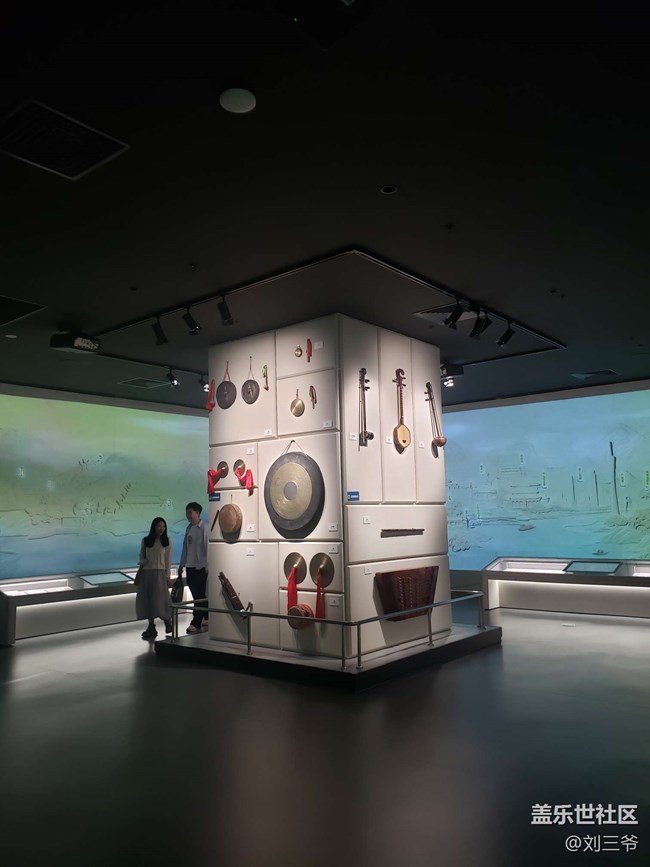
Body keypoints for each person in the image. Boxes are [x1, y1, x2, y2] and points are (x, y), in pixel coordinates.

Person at [137, 517, 173, 640]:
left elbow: (168, 560)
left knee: (162, 599)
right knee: (149, 600)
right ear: (154, 527)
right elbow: (141, 556)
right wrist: (144, 561)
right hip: (147, 573)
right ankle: (151, 625)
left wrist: (168, 575)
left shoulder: (166, 541)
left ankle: (167, 620)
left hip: (160, 573)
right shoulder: (146, 541)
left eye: (163, 526)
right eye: (159, 526)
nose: (161, 529)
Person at [178, 501, 209, 634]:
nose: (188, 515)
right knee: (198, 594)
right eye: (187, 513)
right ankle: (207, 616)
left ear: (197, 513)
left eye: (190, 512)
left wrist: (208, 565)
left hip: (201, 567)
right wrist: (181, 564)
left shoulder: (204, 527)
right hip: (190, 566)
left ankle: (196, 622)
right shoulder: (189, 528)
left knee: (199, 596)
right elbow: (185, 547)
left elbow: (208, 547)